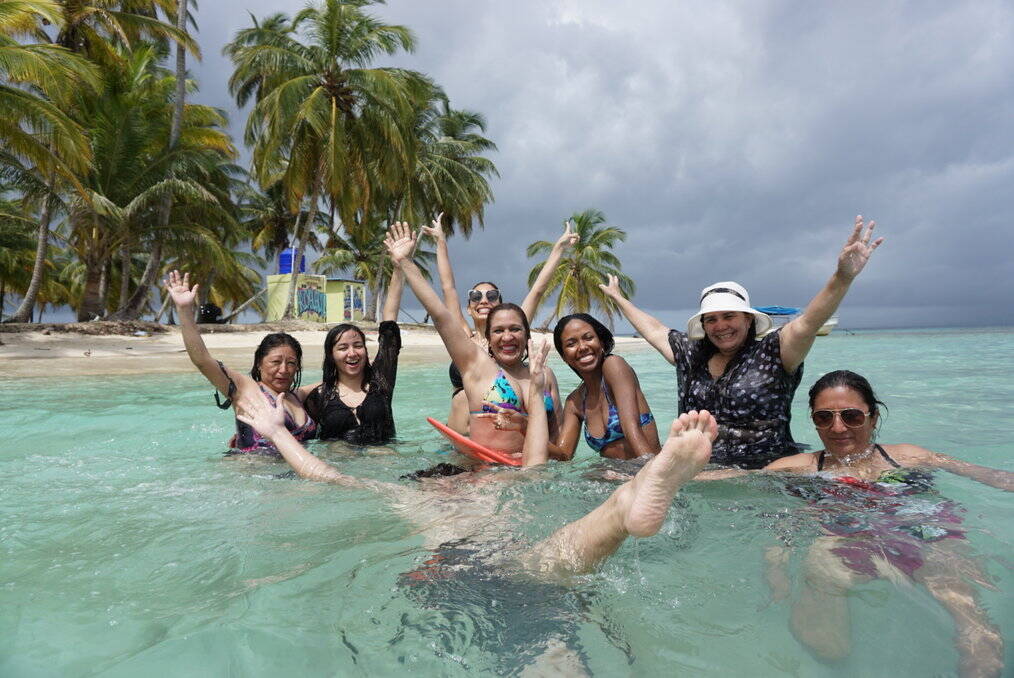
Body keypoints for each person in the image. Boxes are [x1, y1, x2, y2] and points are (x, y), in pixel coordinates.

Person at [704, 370, 1010, 677]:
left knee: (973, 631)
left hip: (923, 531)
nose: (838, 428)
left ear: (873, 417)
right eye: (824, 418)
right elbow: (742, 479)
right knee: (826, 640)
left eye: (851, 416)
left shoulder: (909, 457)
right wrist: (672, 472)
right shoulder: (799, 467)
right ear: (813, 420)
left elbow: (988, 476)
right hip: (846, 537)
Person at [600, 215, 884, 468]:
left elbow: (809, 322)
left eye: (729, 316)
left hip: (766, 474)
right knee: (604, 475)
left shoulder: (774, 353)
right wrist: (618, 299)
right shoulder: (691, 355)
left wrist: (842, 278)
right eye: (710, 319)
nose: (720, 326)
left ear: (748, 320)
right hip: (698, 470)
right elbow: (654, 330)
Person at [386, 223, 564, 462]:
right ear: (489, 338)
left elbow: (562, 450)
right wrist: (405, 262)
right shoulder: (476, 364)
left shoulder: (544, 375)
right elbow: (440, 313)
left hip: (531, 476)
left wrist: (559, 249)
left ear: (527, 333)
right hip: (482, 474)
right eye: (499, 331)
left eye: (515, 329)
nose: (508, 336)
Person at [420, 214, 579, 434]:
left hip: (500, 436)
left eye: (492, 295)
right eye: (476, 296)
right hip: (461, 438)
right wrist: (440, 242)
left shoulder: (510, 340)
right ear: (469, 308)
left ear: (501, 305)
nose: (484, 300)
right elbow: (449, 288)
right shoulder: (463, 339)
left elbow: (538, 290)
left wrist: (558, 249)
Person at [164, 270, 315, 455]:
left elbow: (339, 378)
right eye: (275, 362)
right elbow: (202, 360)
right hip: (253, 478)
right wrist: (184, 310)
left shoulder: (297, 396)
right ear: (259, 364)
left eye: (291, 363)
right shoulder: (245, 390)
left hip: (293, 479)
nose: (284, 369)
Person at [301, 227, 406, 444]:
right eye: (342, 348)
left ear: (366, 351)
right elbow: (297, 428)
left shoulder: (381, 381)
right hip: (338, 472)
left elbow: (389, 325)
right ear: (331, 355)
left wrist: (399, 266)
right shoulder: (319, 397)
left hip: (385, 467)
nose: (352, 353)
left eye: (358, 345)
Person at [551, 313, 660, 460]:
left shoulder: (614, 365)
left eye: (588, 338)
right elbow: (564, 455)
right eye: (571, 344)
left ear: (601, 342)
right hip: (614, 476)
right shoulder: (574, 402)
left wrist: (653, 472)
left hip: (646, 465)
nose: (582, 347)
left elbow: (630, 427)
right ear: (564, 357)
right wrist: (528, 432)